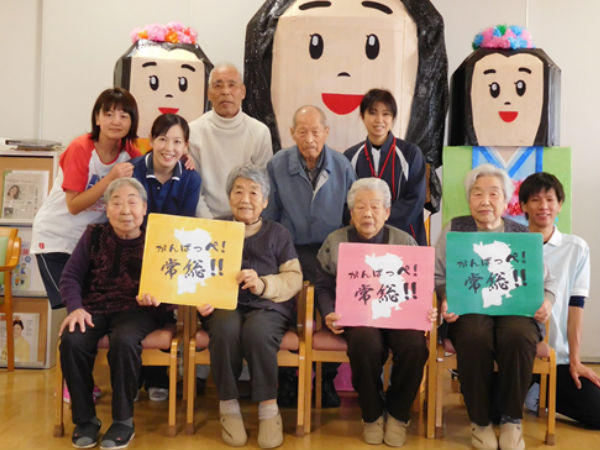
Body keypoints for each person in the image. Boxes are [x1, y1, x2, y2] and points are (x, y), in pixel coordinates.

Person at [435, 164, 556, 450]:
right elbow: (437, 275)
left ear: (505, 200)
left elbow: (547, 282)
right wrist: (444, 297)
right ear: (469, 199)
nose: (485, 201)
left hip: (514, 311)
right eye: (477, 194)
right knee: (475, 335)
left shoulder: (522, 235)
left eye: (493, 194)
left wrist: (547, 302)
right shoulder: (454, 229)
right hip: (468, 310)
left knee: (518, 335)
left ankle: (511, 420)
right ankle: (480, 421)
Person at [315, 177, 431, 447]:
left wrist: (426, 310)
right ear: (351, 212)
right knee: (365, 342)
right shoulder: (336, 241)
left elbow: (420, 287)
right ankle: (372, 414)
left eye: (375, 207)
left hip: (399, 317)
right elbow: (322, 286)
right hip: (358, 318)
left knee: (415, 345)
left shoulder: (405, 241)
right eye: (361, 207)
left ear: (387, 212)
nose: (368, 213)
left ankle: (398, 414)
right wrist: (328, 312)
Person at [59, 178, 172, 449]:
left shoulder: (158, 240)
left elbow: (172, 289)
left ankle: (123, 421)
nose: (125, 210)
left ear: (144, 208)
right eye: (117, 202)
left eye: (132, 202)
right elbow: (70, 276)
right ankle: (85, 420)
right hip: (94, 308)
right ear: (107, 209)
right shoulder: (94, 235)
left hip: (138, 310)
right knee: (72, 340)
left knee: (124, 340)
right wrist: (75, 308)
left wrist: (158, 299)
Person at [197, 165, 302, 448]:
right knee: (225, 328)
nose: (245, 199)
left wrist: (263, 284)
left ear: (265, 201)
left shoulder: (278, 233)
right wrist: (200, 298)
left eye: (254, 193)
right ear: (229, 197)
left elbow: (294, 278)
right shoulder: (216, 229)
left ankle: (268, 408)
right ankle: (228, 406)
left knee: (258, 331)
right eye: (238, 191)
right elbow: (197, 273)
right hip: (224, 304)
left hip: (267, 306)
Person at [263, 104, 355, 407]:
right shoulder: (277, 165)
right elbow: (271, 217)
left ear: (326, 132)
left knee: (336, 307)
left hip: (331, 250)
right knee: (284, 308)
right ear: (292, 133)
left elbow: (350, 219)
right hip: (290, 249)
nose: (310, 138)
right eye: (302, 132)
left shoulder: (342, 166)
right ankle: (288, 379)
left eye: (316, 131)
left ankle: (326, 379)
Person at [31, 88, 140, 311]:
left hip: (89, 243)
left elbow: (154, 165)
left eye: (123, 115)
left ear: (132, 121)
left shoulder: (129, 152)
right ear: (97, 118)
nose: (116, 121)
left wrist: (185, 158)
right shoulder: (80, 148)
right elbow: (74, 205)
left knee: (92, 308)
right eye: (108, 114)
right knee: (72, 309)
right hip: (56, 238)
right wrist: (110, 178)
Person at [519, 172, 600, 428]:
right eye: (535, 200)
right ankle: (532, 391)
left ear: (560, 205)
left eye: (550, 200)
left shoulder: (576, 248)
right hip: (516, 351)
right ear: (523, 206)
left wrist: (575, 360)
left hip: (557, 357)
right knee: (494, 412)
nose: (543, 206)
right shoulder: (512, 245)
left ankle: (538, 393)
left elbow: (577, 307)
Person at [132, 113, 201, 402]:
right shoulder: (134, 170)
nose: (169, 148)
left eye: (177, 142)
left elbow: (185, 222)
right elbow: (130, 218)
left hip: (171, 251)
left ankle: (158, 377)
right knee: (133, 313)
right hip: (135, 249)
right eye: (163, 139)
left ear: (186, 146)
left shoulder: (191, 177)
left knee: (163, 312)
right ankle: (133, 378)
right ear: (151, 140)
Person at [188, 63, 272, 219]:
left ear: (243, 92)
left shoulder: (259, 132)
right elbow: (193, 189)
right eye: (218, 86)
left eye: (232, 85)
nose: (225, 91)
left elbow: (262, 186)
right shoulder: (193, 131)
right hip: (207, 220)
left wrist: (245, 222)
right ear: (209, 93)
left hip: (247, 219)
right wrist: (212, 225)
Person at [345, 89, 427, 245]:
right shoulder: (350, 156)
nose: (379, 120)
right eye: (372, 113)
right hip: (363, 238)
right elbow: (346, 202)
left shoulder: (410, 154)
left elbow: (415, 200)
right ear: (362, 116)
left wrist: (378, 222)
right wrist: (367, 224)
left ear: (393, 118)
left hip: (404, 237)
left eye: (386, 114)